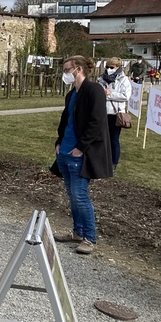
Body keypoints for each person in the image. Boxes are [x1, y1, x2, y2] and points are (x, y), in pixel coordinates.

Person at [52, 56, 113, 255]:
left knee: (80, 195)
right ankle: (77, 232)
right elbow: (66, 120)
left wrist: (81, 147)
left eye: (66, 70)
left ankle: (89, 237)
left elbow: (97, 122)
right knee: (72, 195)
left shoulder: (94, 90)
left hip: (80, 154)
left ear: (78, 69)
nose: (65, 74)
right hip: (65, 151)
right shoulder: (72, 94)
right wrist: (59, 142)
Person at [101, 57, 132, 168]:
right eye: (107, 67)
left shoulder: (123, 80)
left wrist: (109, 94)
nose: (109, 69)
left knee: (113, 139)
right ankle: (104, 160)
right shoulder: (101, 78)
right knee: (103, 138)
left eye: (111, 67)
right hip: (103, 112)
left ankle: (114, 162)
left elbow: (125, 96)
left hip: (115, 113)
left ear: (118, 67)